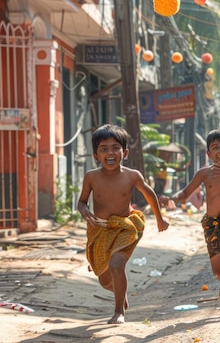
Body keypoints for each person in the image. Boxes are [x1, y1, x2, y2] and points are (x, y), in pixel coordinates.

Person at [77, 124, 169, 324]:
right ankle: (121, 293)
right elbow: (82, 201)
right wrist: (84, 211)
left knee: (117, 265)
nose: (110, 153)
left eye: (115, 148)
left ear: (124, 152)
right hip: (99, 229)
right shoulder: (91, 177)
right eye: (104, 149)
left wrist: (160, 219)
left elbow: (149, 194)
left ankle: (119, 312)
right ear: (96, 155)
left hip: (125, 227)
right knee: (104, 279)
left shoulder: (132, 175)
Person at [167, 130, 220, 313]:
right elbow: (185, 193)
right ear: (208, 153)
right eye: (215, 147)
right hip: (212, 223)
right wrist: (171, 198)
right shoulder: (204, 173)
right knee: (217, 270)